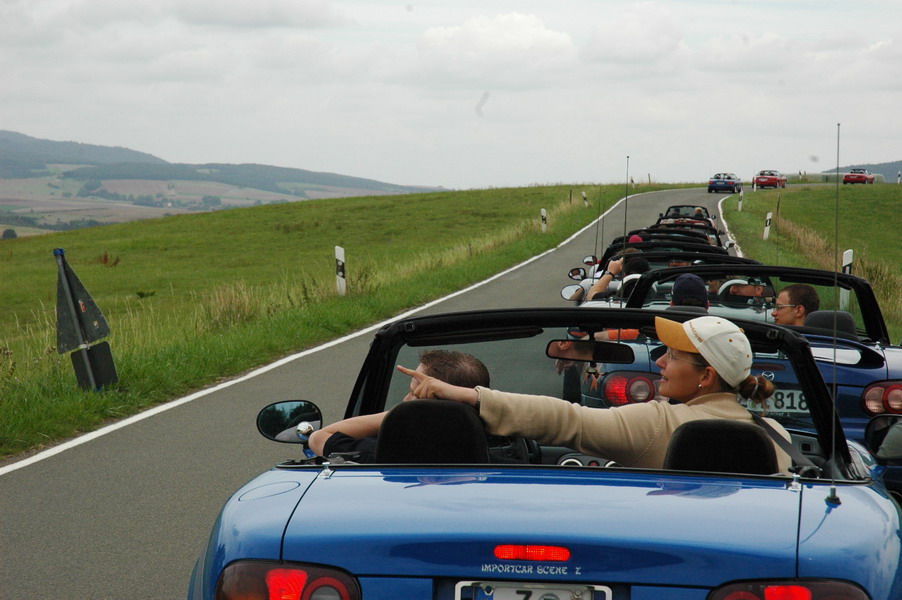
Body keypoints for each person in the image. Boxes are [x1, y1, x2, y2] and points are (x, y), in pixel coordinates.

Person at [398, 315, 792, 474]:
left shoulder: (660, 423)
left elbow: (564, 418)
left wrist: (472, 397)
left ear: (706, 376)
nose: (660, 362)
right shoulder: (776, 435)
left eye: (672, 356)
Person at [308, 349, 490, 462]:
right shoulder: (500, 461)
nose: (405, 399)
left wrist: (397, 416)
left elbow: (318, 437)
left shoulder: (388, 457)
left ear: (434, 409)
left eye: (413, 394)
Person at [586, 255, 650, 301]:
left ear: (625, 275)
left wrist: (611, 273)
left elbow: (590, 297)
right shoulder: (655, 299)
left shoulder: (615, 299)